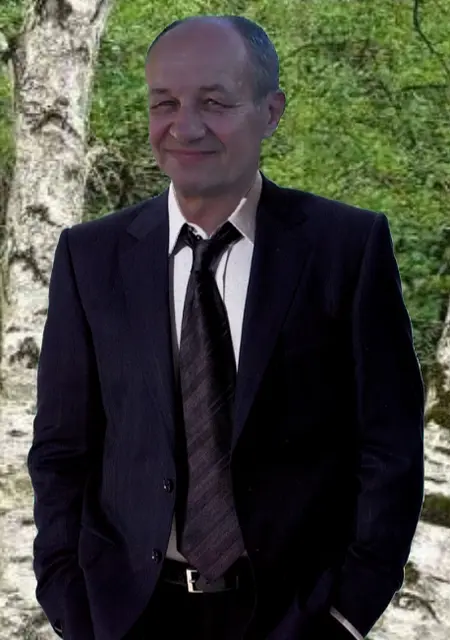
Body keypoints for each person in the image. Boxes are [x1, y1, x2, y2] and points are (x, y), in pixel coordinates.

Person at [27, 14, 425, 640]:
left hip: (294, 614)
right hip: (125, 612)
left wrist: (347, 613)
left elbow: (390, 448)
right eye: (165, 103)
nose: (185, 127)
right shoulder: (90, 256)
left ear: (271, 112)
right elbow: (61, 447)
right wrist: (65, 595)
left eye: (214, 102)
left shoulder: (346, 248)